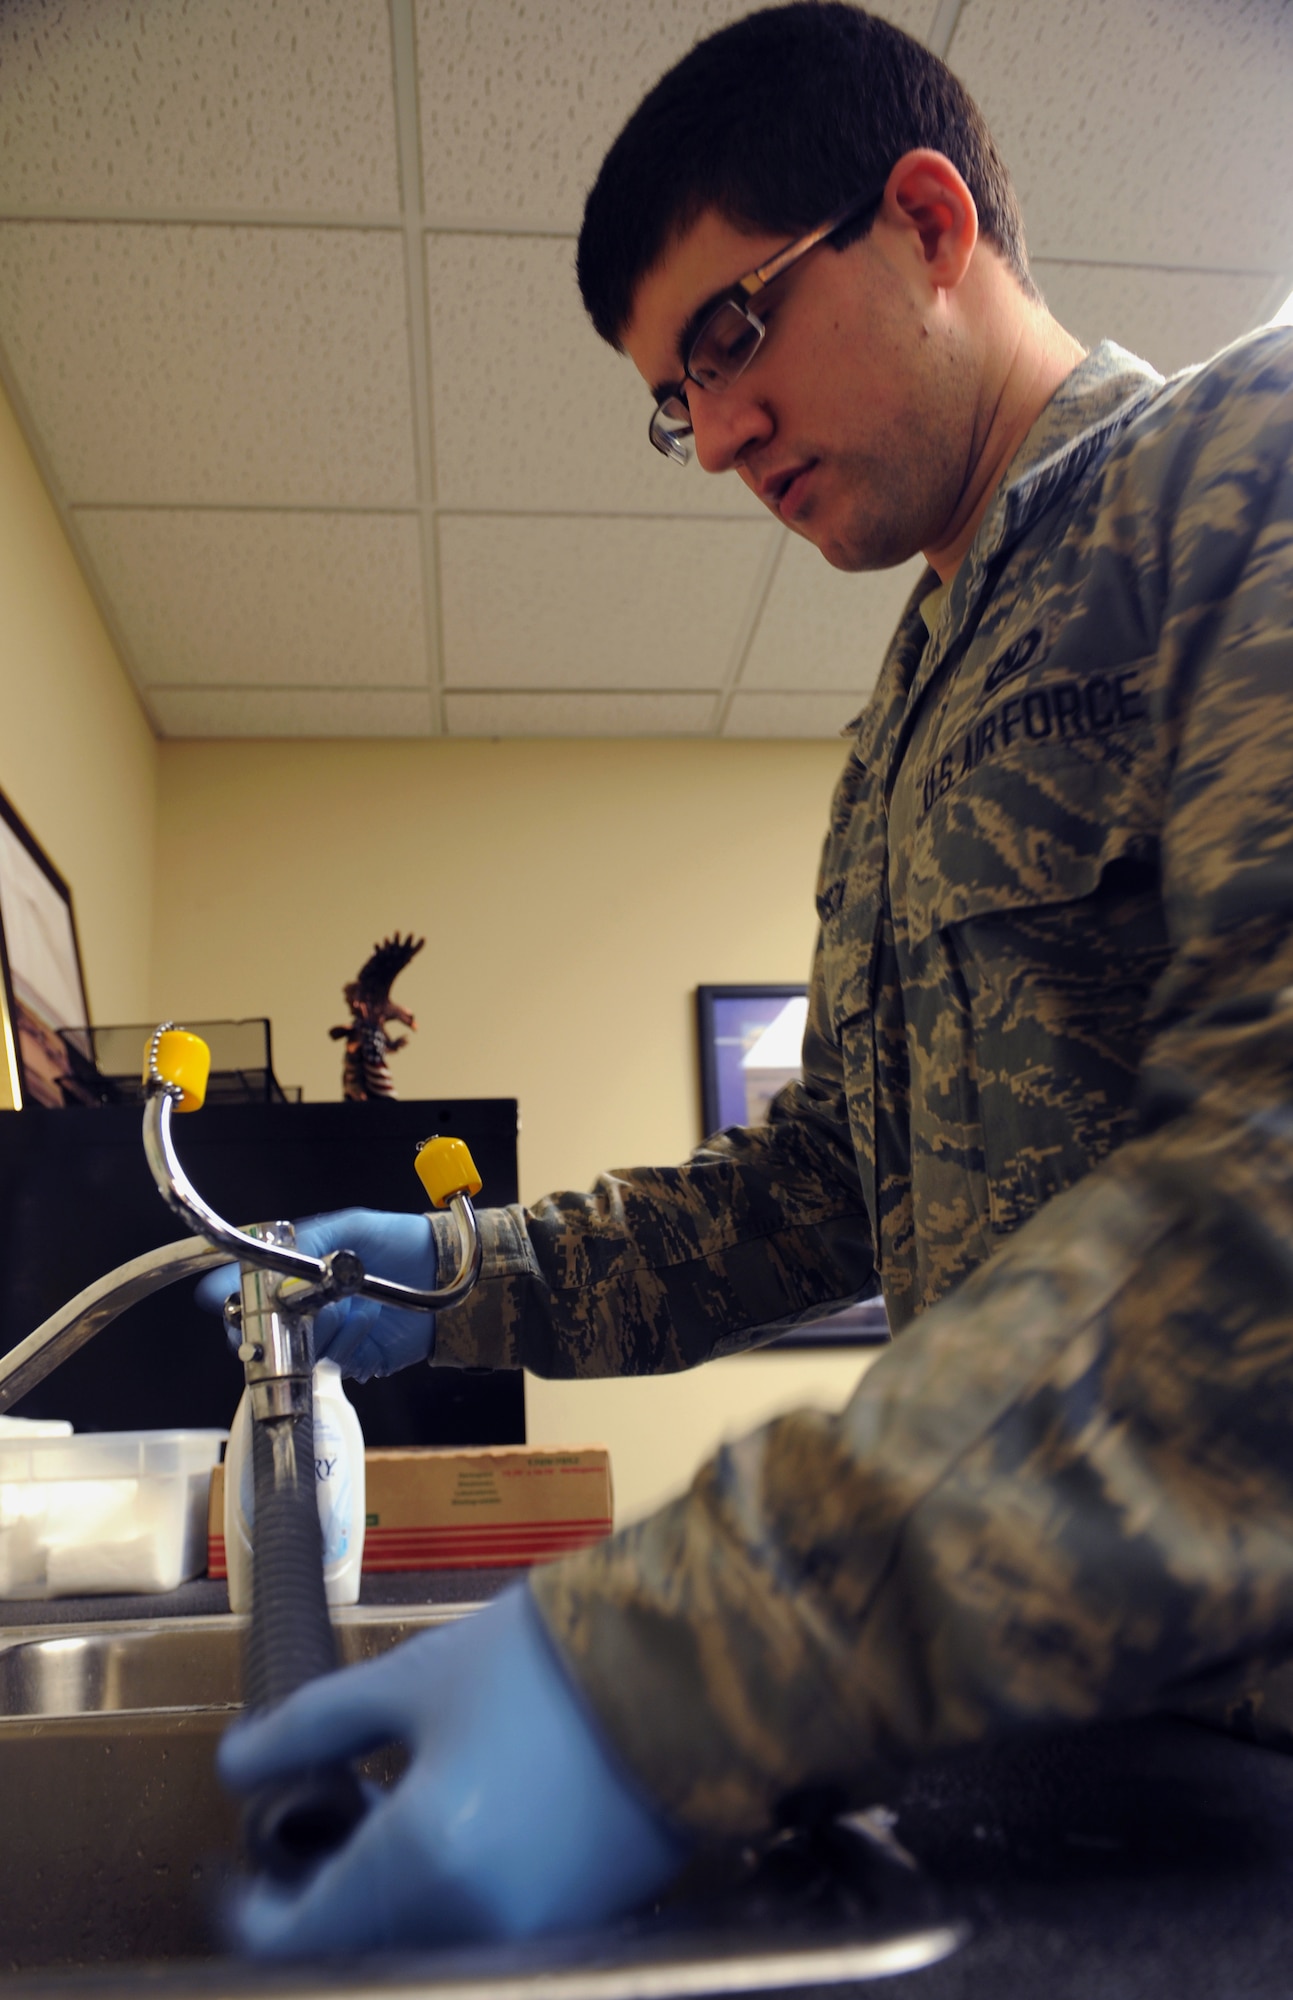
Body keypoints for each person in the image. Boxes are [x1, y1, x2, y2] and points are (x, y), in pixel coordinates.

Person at [207, 0, 1293, 1957]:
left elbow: (1269, 1204)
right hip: (1049, 1738)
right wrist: (437, 1283)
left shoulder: (1245, 471)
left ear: (926, 220)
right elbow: (809, 1194)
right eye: (670, 396)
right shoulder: (897, 728)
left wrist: (691, 1642)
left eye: (726, 333)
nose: (709, 437)